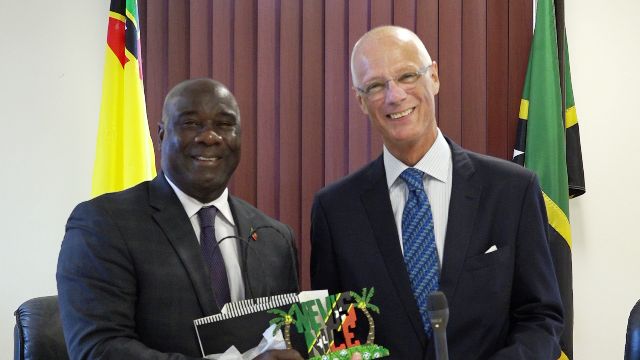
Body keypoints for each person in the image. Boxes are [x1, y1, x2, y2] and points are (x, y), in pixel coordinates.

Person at [310, 26, 564, 359]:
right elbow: (334, 331)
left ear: (434, 77)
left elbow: (540, 317)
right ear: (360, 101)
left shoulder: (512, 191)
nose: (394, 95)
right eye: (375, 86)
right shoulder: (335, 210)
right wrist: (338, 352)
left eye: (407, 76)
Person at [57, 78, 303, 359]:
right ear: (161, 136)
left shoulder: (275, 238)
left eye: (224, 124)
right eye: (190, 124)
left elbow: (287, 340)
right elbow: (98, 350)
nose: (209, 137)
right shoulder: (104, 225)